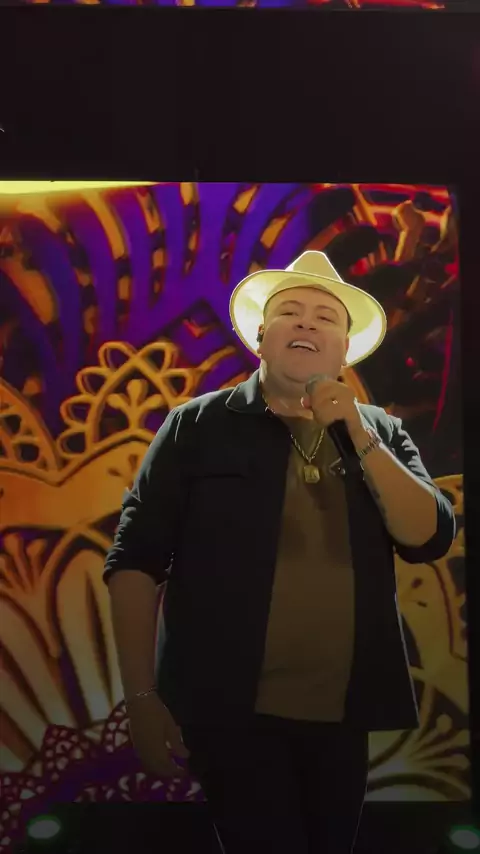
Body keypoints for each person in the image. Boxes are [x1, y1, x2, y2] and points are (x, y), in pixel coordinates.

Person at [103, 251, 455, 854]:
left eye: (326, 317)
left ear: (344, 351)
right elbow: (135, 560)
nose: (307, 322)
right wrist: (141, 698)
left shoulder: (381, 432)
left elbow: (428, 537)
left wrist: (358, 433)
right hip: (227, 710)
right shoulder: (196, 426)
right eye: (290, 311)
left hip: (342, 712)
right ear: (262, 338)